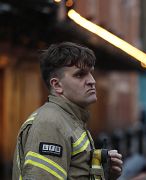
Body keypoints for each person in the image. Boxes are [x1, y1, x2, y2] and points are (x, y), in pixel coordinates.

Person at [12, 42, 123, 180]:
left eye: (90, 73)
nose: (92, 81)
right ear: (57, 85)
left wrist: (103, 174)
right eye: (80, 75)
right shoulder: (50, 124)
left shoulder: (70, 119)